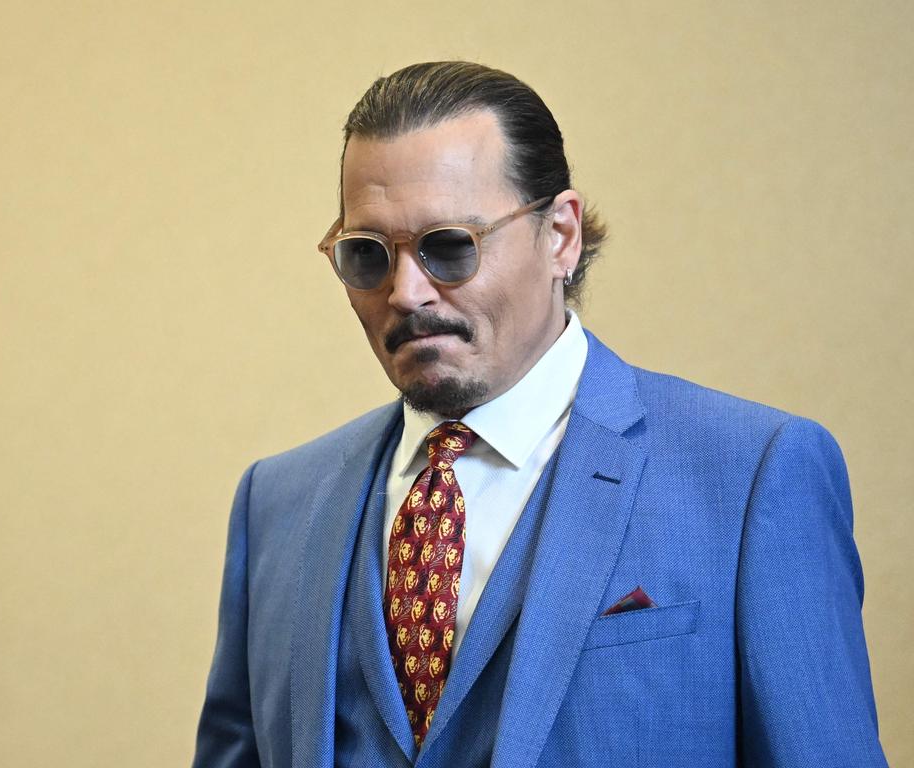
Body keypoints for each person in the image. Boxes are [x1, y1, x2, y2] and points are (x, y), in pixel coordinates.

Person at [192, 61, 886, 767]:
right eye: (368, 256)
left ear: (560, 235)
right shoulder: (275, 504)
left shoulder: (752, 477)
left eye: (449, 247)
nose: (407, 293)